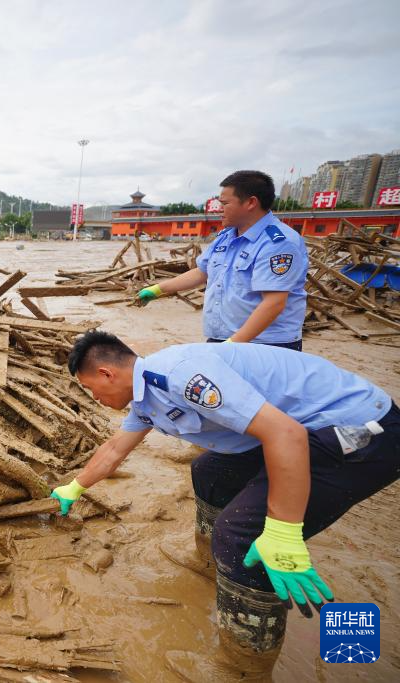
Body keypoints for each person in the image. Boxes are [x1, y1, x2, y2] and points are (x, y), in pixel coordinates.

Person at [50, 331, 398, 680]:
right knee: (210, 471)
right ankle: (210, 564)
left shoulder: (180, 375)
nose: (94, 397)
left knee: (240, 537)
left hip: (360, 432)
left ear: (107, 373)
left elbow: (285, 435)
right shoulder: (147, 397)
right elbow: (114, 449)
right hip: (306, 430)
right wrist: (74, 487)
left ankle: (242, 669)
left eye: (90, 388)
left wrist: (283, 529)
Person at [137, 171, 308, 350]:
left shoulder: (278, 243)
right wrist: (158, 289)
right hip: (225, 338)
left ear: (251, 202)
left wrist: (233, 344)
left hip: (265, 344)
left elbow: (274, 302)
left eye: (225, 204)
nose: (219, 209)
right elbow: (202, 272)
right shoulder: (226, 236)